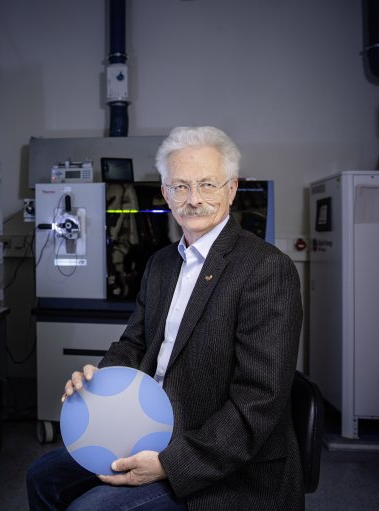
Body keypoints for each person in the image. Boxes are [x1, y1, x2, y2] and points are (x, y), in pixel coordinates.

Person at [27, 126, 303, 510]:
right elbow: (133, 344)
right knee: (43, 477)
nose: (193, 200)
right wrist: (97, 384)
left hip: (225, 464)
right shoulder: (161, 264)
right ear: (165, 193)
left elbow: (259, 401)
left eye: (207, 184)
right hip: (150, 433)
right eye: (180, 187)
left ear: (232, 189)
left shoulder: (266, 269)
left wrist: (170, 464)